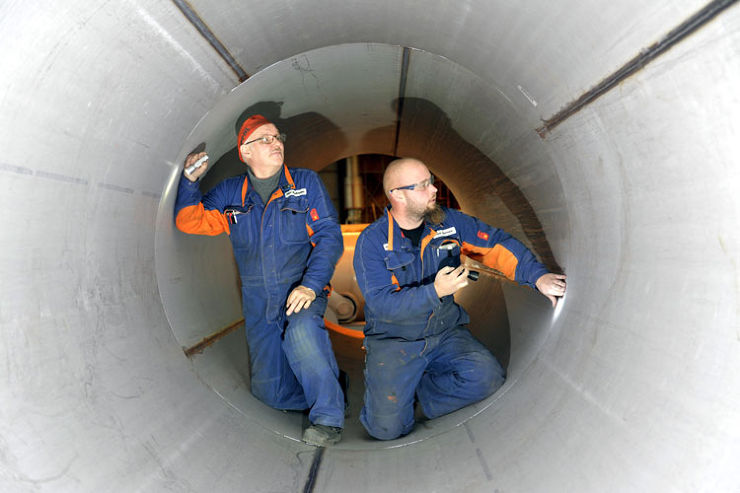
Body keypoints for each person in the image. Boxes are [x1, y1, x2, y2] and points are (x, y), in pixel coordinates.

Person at [353, 158, 566, 440]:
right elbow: (383, 305)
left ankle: (420, 394)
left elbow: (496, 244)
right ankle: (395, 399)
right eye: (423, 185)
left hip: (444, 333)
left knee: (487, 378)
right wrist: (434, 291)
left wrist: (537, 276)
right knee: (386, 430)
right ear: (398, 195)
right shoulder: (371, 242)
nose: (434, 190)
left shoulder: (448, 223)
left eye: (431, 181)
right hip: (395, 340)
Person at [174, 114, 346, 446]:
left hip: (301, 289)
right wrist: (189, 183)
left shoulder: (304, 183)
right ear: (245, 151)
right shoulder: (230, 193)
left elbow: (329, 237)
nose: (275, 142)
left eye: (277, 137)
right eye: (264, 139)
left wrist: (311, 285)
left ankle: (328, 419)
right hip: (258, 300)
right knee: (270, 395)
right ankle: (332, 387)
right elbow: (188, 221)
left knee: (302, 333)